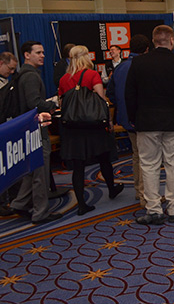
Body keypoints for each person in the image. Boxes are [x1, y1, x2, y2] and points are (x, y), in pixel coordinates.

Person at [125, 25, 174, 225]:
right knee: (173, 164)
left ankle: (154, 209)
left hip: (146, 121)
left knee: (149, 166)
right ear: (172, 41)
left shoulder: (138, 63)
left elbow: (129, 95)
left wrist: (133, 118)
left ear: (153, 41)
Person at [58, 45, 124, 215]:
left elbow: (61, 103)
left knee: (78, 166)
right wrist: (109, 121)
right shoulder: (92, 74)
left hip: (73, 128)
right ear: (86, 57)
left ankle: (81, 204)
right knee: (104, 158)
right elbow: (101, 101)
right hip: (93, 126)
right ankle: (111, 188)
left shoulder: (64, 79)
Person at [8, 41, 61, 224]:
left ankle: (20, 203)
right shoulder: (30, 76)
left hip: (28, 130)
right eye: (38, 52)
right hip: (36, 130)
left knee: (32, 171)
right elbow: (34, 103)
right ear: (27, 55)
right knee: (40, 173)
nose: (43, 55)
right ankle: (40, 213)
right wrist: (53, 105)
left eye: (43, 52)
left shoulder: (23, 74)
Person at [107, 34, 150, 208]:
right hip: (144, 118)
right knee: (147, 158)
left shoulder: (120, 68)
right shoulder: (146, 67)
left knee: (136, 155)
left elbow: (111, 93)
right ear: (147, 49)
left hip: (126, 119)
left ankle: (140, 192)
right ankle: (145, 195)